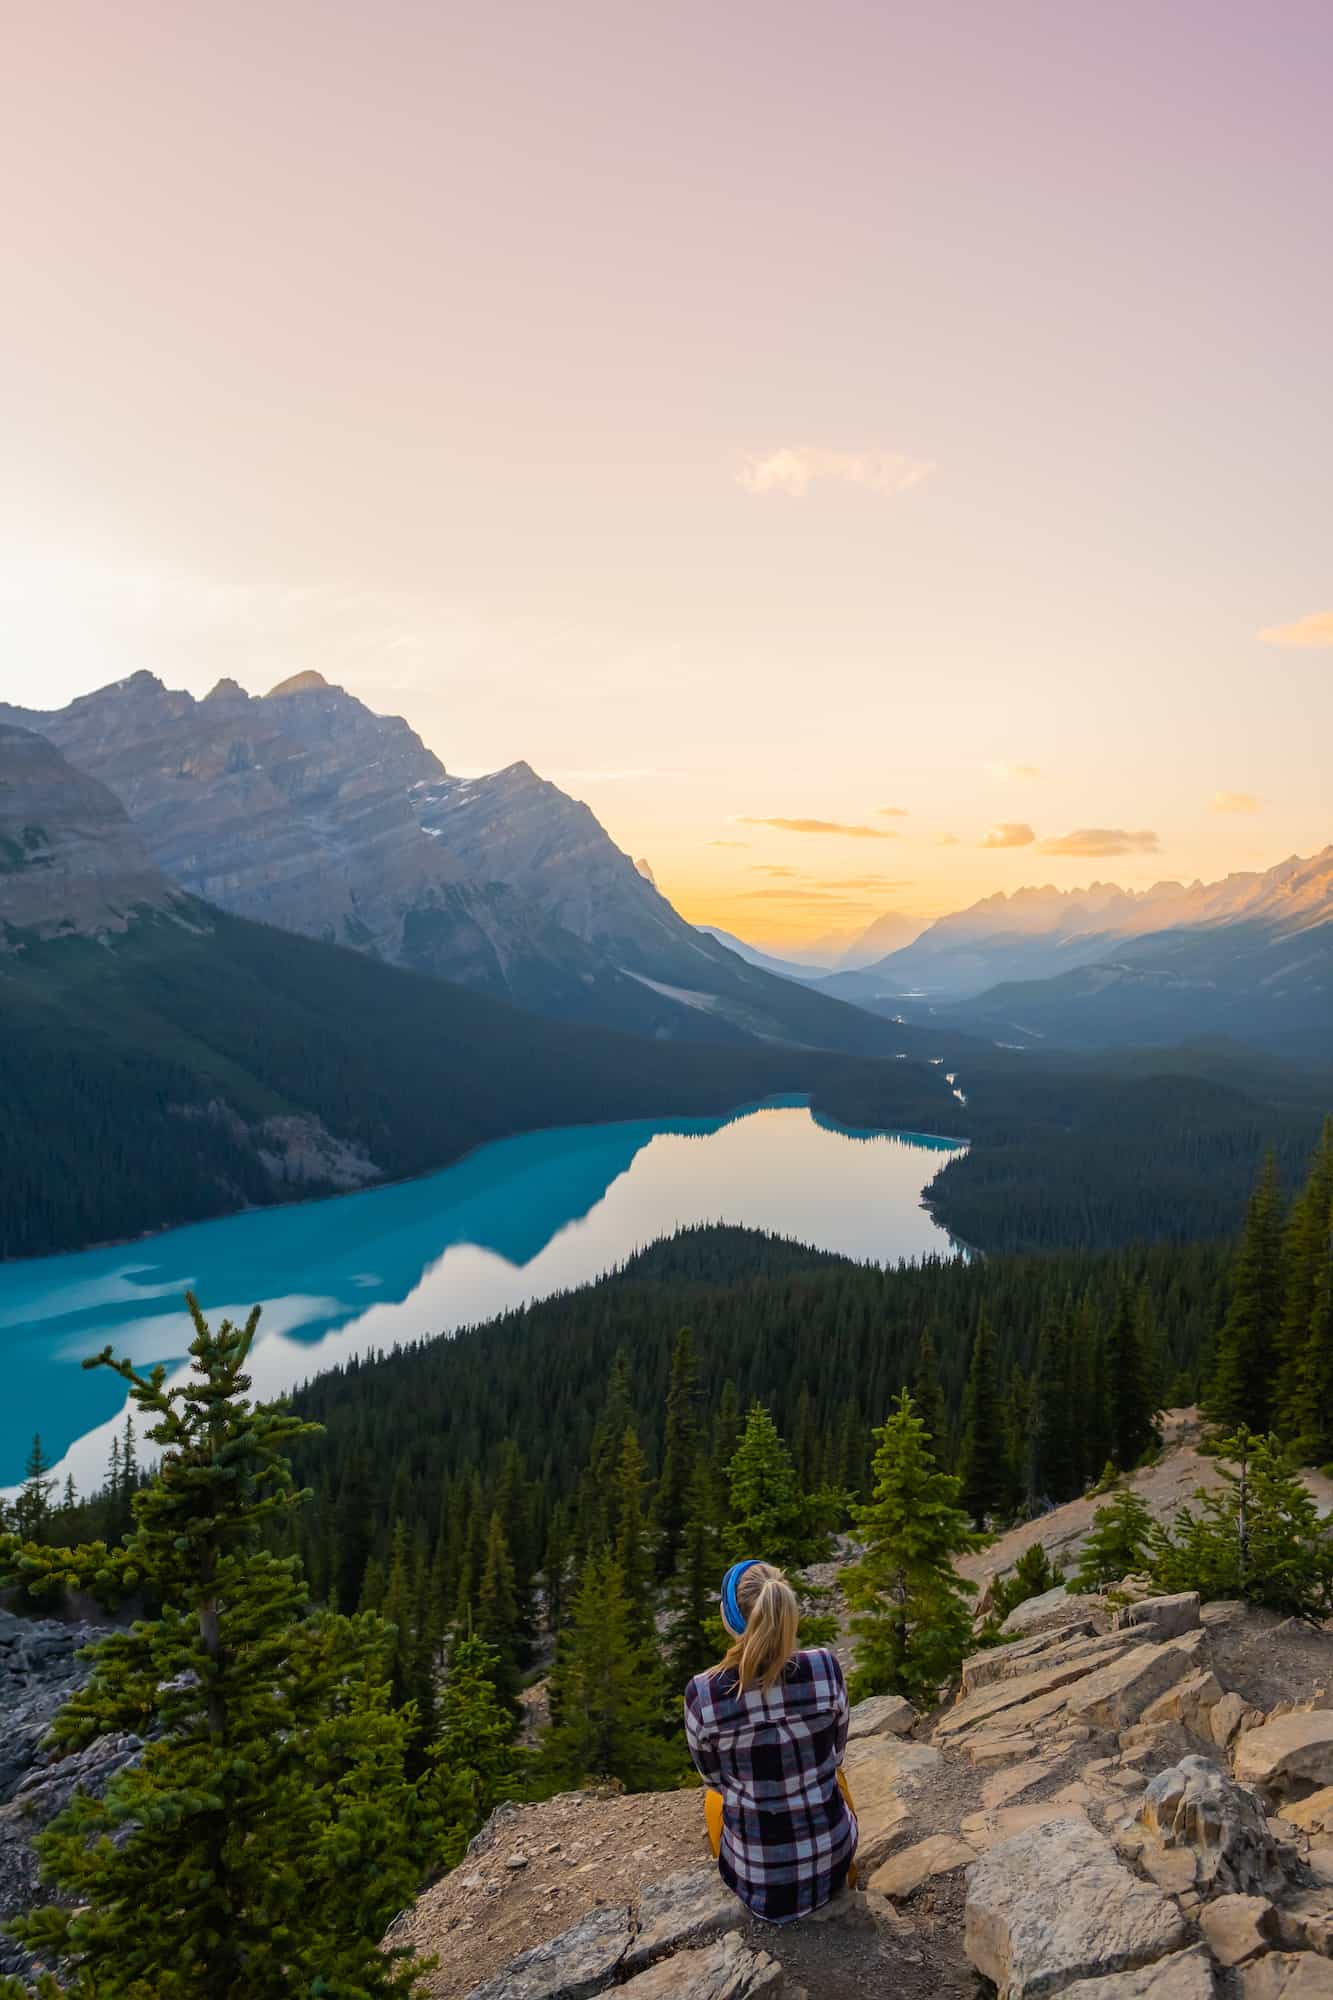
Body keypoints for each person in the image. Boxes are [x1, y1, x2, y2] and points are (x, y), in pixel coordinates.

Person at [683, 1559, 858, 1923]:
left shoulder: (704, 1693)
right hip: (833, 1863)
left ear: (729, 1618)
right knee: (837, 1778)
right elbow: (836, 1752)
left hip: (757, 1885)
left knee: (714, 1801)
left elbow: (714, 1780)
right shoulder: (825, 1667)